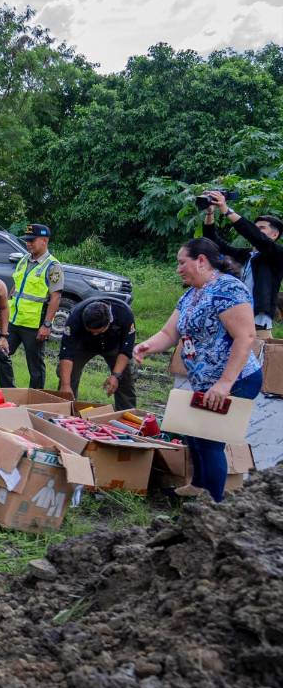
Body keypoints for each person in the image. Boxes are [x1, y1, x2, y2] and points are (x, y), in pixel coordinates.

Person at [132, 238, 263, 502]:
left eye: (183, 262)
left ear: (201, 261)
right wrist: (147, 346)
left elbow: (246, 336)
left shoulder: (228, 289)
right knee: (193, 434)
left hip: (235, 379)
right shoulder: (191, 294)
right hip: (205, 380)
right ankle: (198, 486)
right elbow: (170, 332)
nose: (179, 269)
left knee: (211, 440)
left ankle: (214, 505)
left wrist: (225, 383)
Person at [199, 190, 282, 331]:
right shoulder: (246, 255)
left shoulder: (277, 255)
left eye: (262, 228)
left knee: (255, 352)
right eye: (256, 228)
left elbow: (255, 236)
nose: (257, 230)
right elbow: (212, 241)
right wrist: (210, 213)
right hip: (233, 315)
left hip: (257, 321)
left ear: (275, 234)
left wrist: (225, 209)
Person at [0, 223, 63, 390]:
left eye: (32, 240)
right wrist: (3, 313)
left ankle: (35, 398)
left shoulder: (53, 266)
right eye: (27, 240)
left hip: (34, 325)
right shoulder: (24, 259)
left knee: (35, 367)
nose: (29, 243)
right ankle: (9, 391)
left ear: (44, 241)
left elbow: (56, 297)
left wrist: (47, 325)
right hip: (13, 320)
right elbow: (15, 287)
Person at [57, 298, 137, 410]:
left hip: (113, 345)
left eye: (98, 331)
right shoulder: (75, 316)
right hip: (83, 345)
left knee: (124, 378)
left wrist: (115, 375)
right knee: (67, 376)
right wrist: (65, 385)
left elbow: (126, 349)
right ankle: (65, 411)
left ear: (109, 322)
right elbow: (66, 352)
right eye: (90, 330)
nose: (94, 334)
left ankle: (126, 416)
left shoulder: (124, 313)